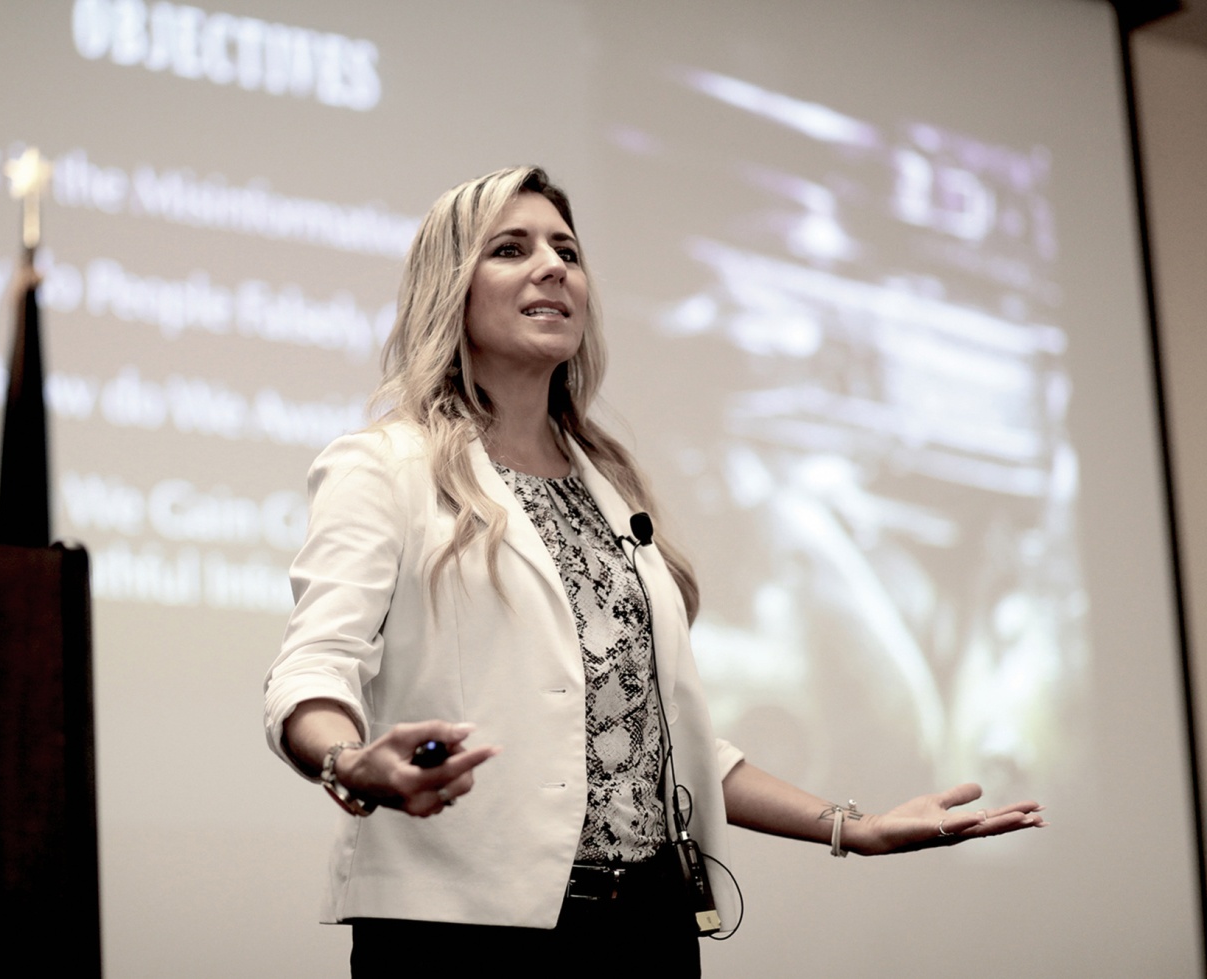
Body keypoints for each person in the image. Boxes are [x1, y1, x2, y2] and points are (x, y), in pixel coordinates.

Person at [263, 165, 1044, 976]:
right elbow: (312, 669)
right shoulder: (384, 467)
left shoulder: (610, 485)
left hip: (647, 926)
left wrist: (852, 826)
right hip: (467, 936)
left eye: (567, 248)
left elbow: (671, 738)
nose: (553, 266)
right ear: (450, 289)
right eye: (510, 248)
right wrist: (349, 762)